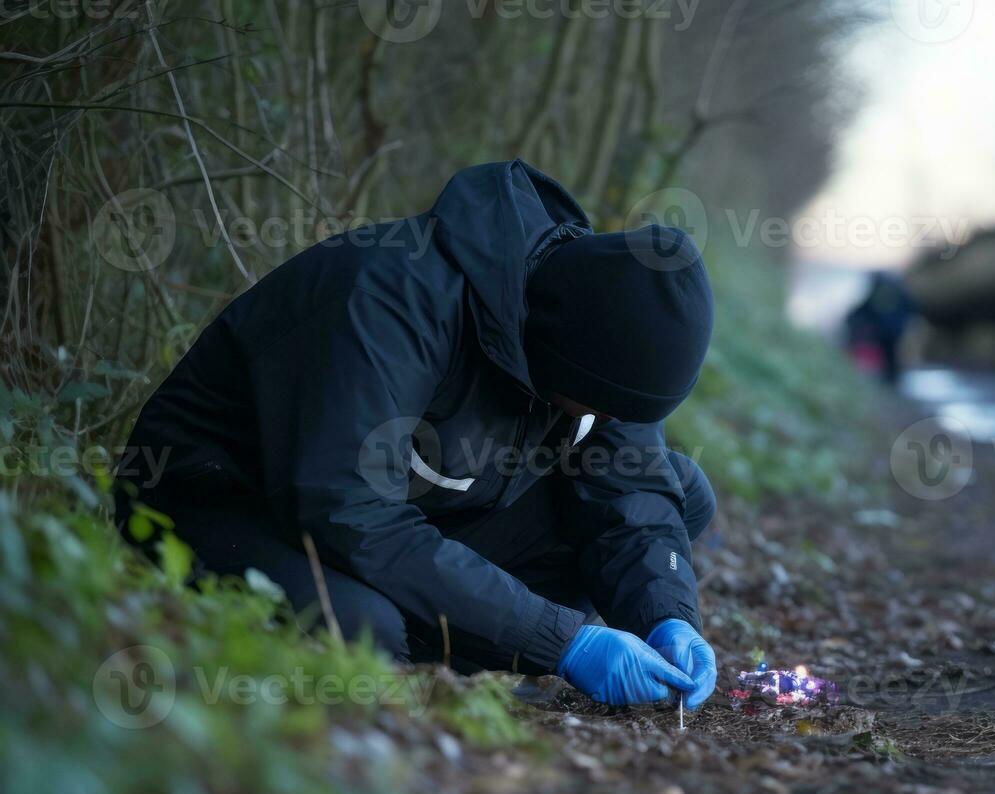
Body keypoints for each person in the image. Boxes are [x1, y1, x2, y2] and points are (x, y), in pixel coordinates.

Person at [114, 160, 717, 711]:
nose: (610, 422)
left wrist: (667, 613)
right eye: (604, 407)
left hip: (405, 507)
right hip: (229, 500)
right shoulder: (390, 296)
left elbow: (628, 492)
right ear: (560, 356)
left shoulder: (593, 341)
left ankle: (448, 643)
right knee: (358, 628)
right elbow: (345, 506)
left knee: (677, 491)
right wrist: (561, 640)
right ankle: (430, 654)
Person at [844, 270, 916, 385]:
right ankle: (891, 377)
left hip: (891, 330)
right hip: (889, 330)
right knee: (890, 354)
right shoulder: (895, 291)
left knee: (892, 354)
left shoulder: (889, 292)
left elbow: (909, 308)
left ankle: (892, 377)